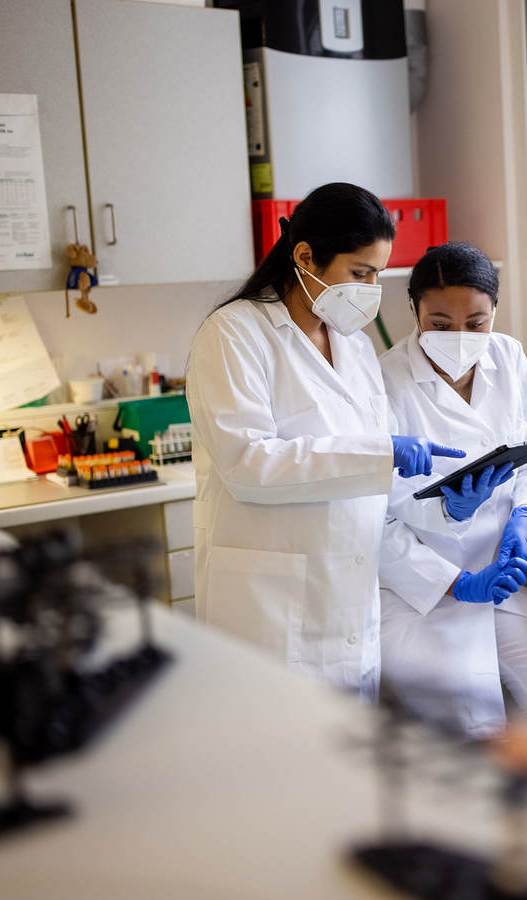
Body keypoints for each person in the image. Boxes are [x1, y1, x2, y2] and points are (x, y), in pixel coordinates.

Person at [187, 183, 464, 695]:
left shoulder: (354, 346)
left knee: (347, 765)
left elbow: (371, 484)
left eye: (378, 274)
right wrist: (382, 453)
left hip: (349, 607)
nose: (370, 288)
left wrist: (445, 505)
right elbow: (249, 465)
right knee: (274, 764)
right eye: (360, 273)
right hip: (270, 611)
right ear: (305, 255)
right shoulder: (233, 334)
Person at [378, 242, 527, 736]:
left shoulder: (508, 356)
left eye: (476, 323)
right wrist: (455, 582)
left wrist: (523, 518)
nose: (460, 337)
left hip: (494, 582)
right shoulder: (383, 380)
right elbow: (372, 519)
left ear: (495, 312)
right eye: (441, 324)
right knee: (469, 739)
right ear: (414, 311)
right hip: (418, 596)